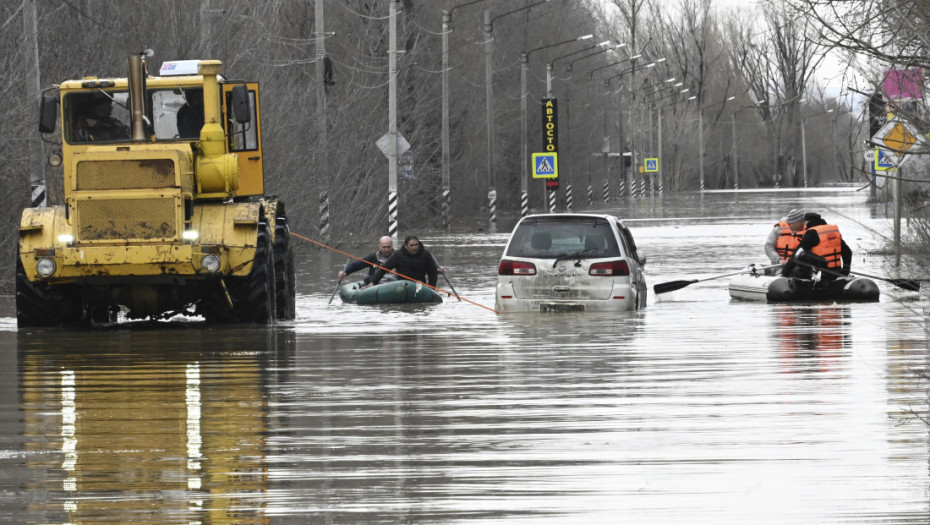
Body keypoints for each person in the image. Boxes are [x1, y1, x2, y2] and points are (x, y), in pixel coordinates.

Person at [780, 212, 852, 279]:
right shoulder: (832, 231)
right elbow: (848, 252)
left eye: (804, 222)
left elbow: (797, 253)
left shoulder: (812, 233)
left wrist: (783, 273)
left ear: (807, 222)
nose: (803, 225)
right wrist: (845, 271)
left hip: (822, 273)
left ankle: (811, 275)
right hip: (836, 271)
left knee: (801, 253)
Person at [368, 235, 439, 287]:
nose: (414, 248)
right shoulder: (398, 255)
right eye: (412, 245)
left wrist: (432, 287)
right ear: (406, 246)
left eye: (416, 245)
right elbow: (384, 269)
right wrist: (373, 282)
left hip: (420, 285)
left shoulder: (425, 254)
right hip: (403, 286)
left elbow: (432, 273)